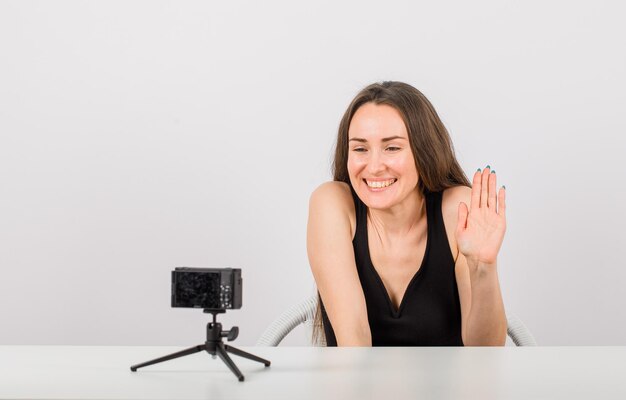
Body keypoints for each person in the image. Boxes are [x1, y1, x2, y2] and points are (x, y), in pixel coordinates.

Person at [307, 81, 507, 346]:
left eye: (392, 148)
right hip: (358, 385)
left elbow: (486, 352)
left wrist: (483, 267)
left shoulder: (457, 210)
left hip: (450, 389)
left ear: (424, 152)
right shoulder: (332, 205)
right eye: (360, 148)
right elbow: (353, 343)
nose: (374, 166)